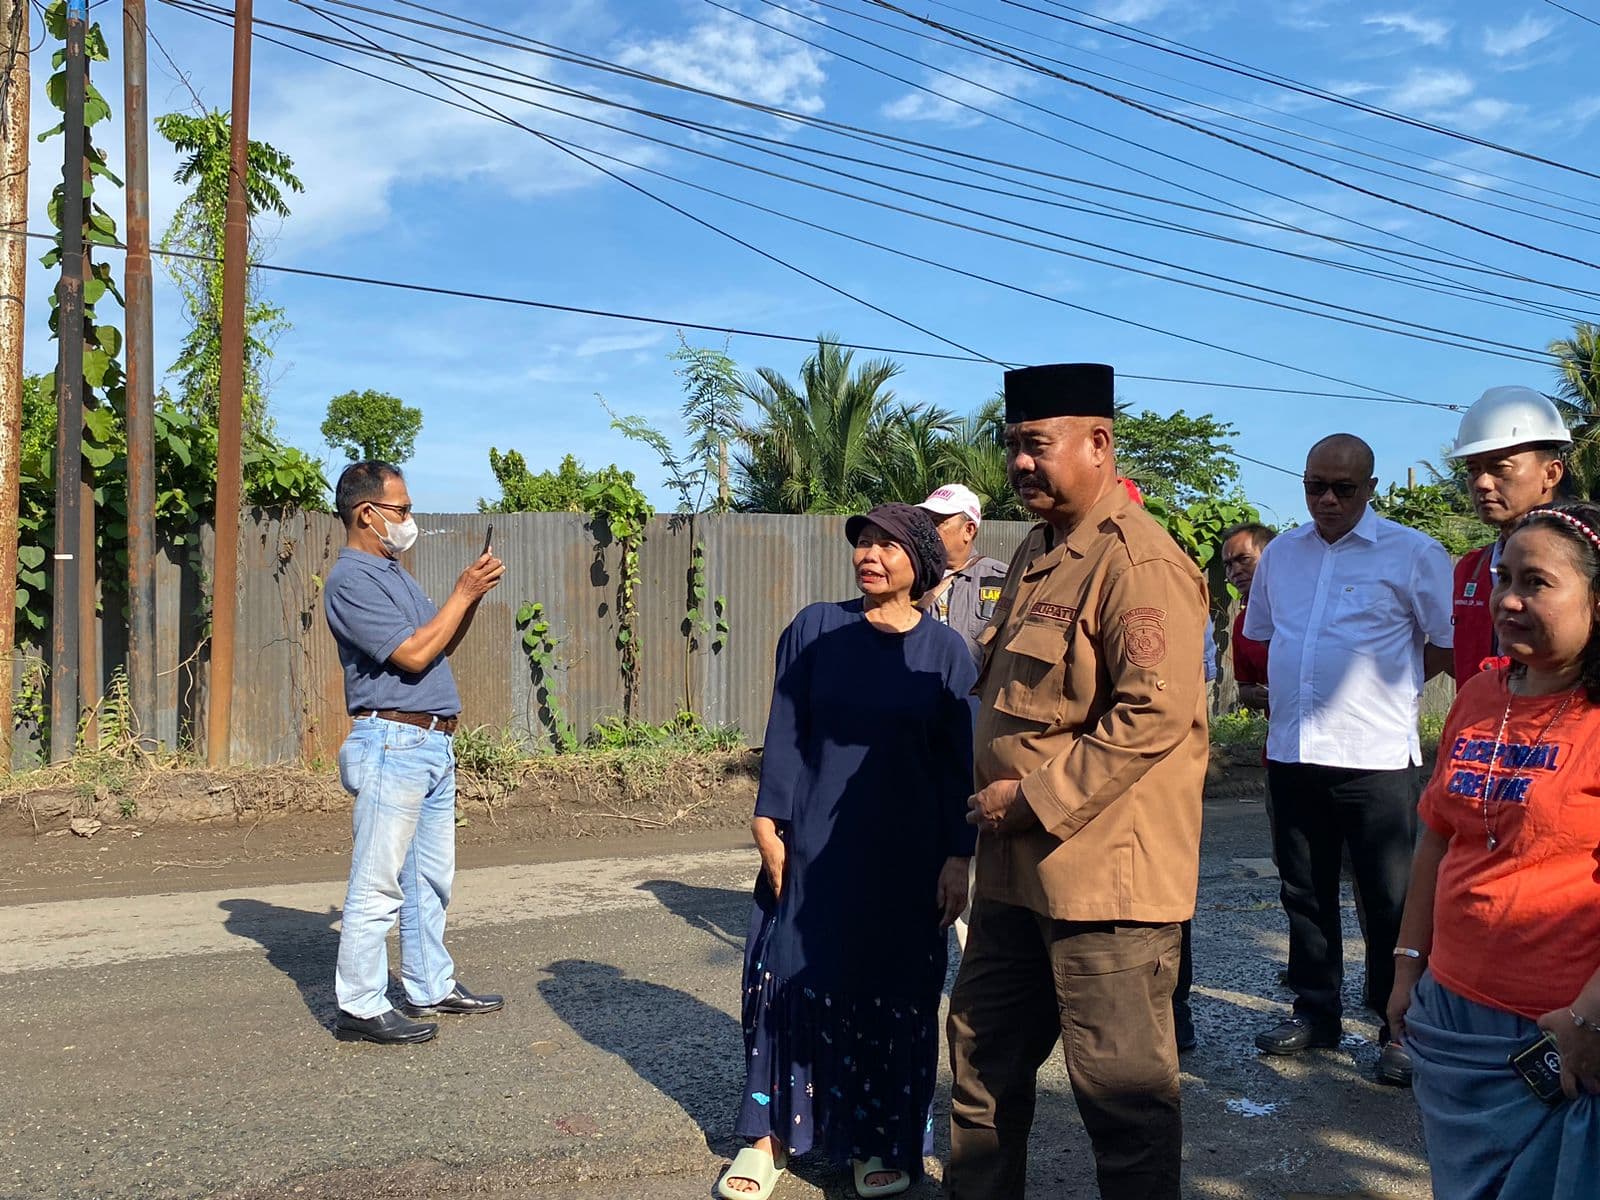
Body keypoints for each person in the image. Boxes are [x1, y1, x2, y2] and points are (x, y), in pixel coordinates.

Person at [946, 363, 1208, 1200]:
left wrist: (1029, 799)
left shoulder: (1140, 562)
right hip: (1016, 878)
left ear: (1098, 443)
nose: (1021, 463)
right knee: (981, 1070)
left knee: (1123, 1104)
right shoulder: (1039, 548)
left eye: (1037, 445)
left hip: (1107, 890)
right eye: (1013, 446)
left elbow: (1152, 716)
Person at [717, 503, 977, 1200]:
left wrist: (959, 855)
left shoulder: (948, 653)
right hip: (812, 841)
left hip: (907, 853)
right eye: (864, 542)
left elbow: (961, 765)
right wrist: (769, 817)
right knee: (785, 982)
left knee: (894, 993)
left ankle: (878, 1141)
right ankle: (766, 1141)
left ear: (921, 563)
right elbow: (787, 727)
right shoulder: (814, 627)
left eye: (889, 546)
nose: (870, 554)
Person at [1387, 502, 1600, 1198]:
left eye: (1536, 582)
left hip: (1560, 1026)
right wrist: (1408, 967)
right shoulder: (1480, 693)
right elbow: (1438, 836)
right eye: (1504, 576)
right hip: (1454, 1016)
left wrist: (1586, 1020)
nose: (1507, 599)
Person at [1244, 434, 1453, 1087]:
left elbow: (1444, 645)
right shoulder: (1282, 553)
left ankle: (1400, 1031)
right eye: (1315, 487)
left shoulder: (1414, 554)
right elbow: (1263, 636)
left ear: (1371, 488)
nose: (1327, 500)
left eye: (1343, 488)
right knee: (1303, 892)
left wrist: (1388, 692)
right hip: (1294, 754)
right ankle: (1315, 1012)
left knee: (1390, 901)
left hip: (1376, 758)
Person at [322, 462, 506, 1045]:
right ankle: (359, 1004)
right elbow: (411, 655)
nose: (408, 520)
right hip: (393, 742)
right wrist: (462, 591)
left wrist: (468, 598)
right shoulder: (351, 579)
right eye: (400, 511)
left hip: (428, 741)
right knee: (378, 881)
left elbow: (439, 639)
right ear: (365, 514)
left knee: (429, 879)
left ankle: (430, 985)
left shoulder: (391, 571)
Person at [1446, 386, 1571, 687]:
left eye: (1499, 467)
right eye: (1473, 469)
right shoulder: (1470, 569)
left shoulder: (1586, 563)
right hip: (1480, 729)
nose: (1482, 483)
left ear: (1551, 474)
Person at [917, 484, 1009, 668]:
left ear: (969, 530)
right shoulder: (910, 576)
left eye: (937, 522)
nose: (927, 530)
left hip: (974, 695)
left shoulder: (1002, 580)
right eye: (925, 522)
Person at [1221, 523, 1274, 716]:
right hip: (1279, 738)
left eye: (1243, 559)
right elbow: (1245, 687)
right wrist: (1256, 694)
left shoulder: (1308, 608)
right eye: (1228, 565)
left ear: (1271, 557)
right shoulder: (1243, 623)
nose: (1234, 570)